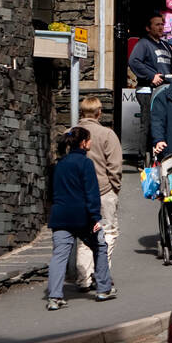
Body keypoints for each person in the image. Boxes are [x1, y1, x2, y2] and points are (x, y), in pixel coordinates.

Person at [46, 127, 115, 311]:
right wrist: (95, 218)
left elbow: (51, 193)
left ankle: (54, 297)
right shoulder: (85, 163)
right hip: (82, 217)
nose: (91, 143)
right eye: (89, 140)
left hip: (60, 216)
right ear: (83, 143)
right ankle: (103, 288)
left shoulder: (59, 164)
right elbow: (91, 194)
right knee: (100, 246)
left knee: (59, 255)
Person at [72, 97, 122, 293]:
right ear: (99, 112)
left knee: (84, 236)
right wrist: (114, 188)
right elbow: (115, 166)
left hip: (79, 193)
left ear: (82, 112)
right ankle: (102, 275)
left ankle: (83, 277)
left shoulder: (71, 134)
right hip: (104, 190)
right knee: (108, 232)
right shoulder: (107, 134)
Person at [127, 14, 172, 164]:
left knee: (163, 122)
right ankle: (143, 159)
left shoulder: (166, 45)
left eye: (162, 24)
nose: (161, 27)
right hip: (147, 90)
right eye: (157, 24)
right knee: (147, 123)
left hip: (165, 89)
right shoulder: (143, 43)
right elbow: (133, 61)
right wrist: (151, 76)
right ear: (148, 28)